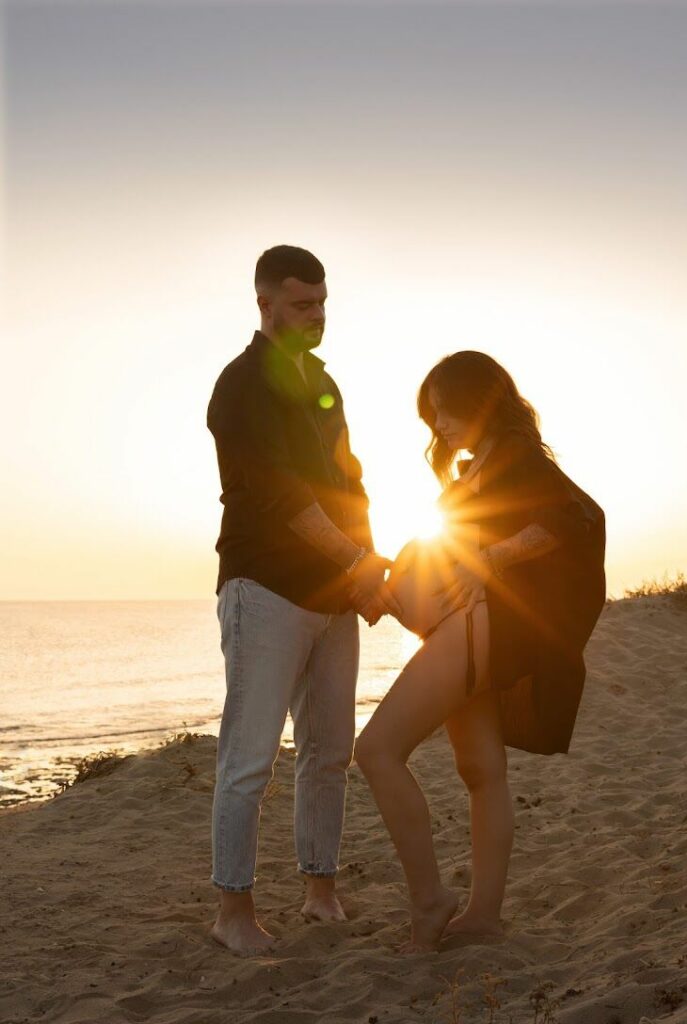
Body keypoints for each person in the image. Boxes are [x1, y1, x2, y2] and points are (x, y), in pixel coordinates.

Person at [355, 350, 606, 952]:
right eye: (432, 416)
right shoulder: (479, 465)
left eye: (446, 410)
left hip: (478, 624)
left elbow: (573, 520)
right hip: (464, 624)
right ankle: (484, 916)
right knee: (480, 771)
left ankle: (430, 901)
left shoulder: (518, 458)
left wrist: (491, 561)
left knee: (377, 749)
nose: (438, 425)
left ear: (483, 401)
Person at [207, 245, 399, 955]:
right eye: (300, 305)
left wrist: (365, 572)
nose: (315, 317)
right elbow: (285, 500)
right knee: (250, 758)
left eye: (321, 304)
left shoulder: (322, 381)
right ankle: (232, 911)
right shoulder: (240, 385)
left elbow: (349, 484)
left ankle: (320, 891)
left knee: (328, 752)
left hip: (333, 596)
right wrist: (358, 561)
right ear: (264, 305)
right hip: (264, 591)